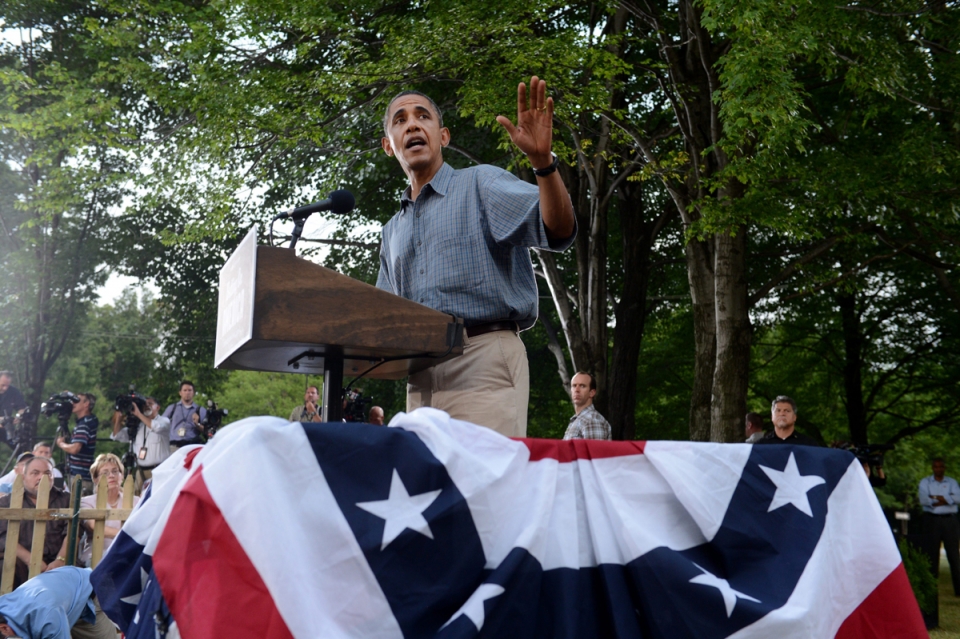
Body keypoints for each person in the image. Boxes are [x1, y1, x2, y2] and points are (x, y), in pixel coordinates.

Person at [376, 77, 576, 438]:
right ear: (389, 146)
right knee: (430, 491)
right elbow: (383, 322)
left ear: (444, 136)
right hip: (419, 375)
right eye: (400, 120)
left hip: (483, 359)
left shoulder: (481, 183)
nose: (413, 125)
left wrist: (543, 163)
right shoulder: (390, 231)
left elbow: (558, 229)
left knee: (485, 488)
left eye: (423, 116)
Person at [0, 457, 70, 589]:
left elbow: (73, 532)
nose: (41, 477)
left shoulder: (66, 500)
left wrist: (60, 560)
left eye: (47, 473)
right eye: (35, 473)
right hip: (20, 563)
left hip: (57, 562)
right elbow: (3, 536)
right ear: (24, 477)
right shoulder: (6, 503)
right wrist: (30, 560)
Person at [0, 566, 116, 639]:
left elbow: (48, 616)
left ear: (4, 628)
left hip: (85, 597)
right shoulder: (3, 606)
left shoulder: (46, 617)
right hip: (57, 598)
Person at [79, 454, 140, 568]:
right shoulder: (86, 502)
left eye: (115, 471)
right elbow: (93, 525)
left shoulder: (137, 502)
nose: (111, 475)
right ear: (95, 479)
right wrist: (125, 535)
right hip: (97, 555)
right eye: (105, 473)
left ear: (122, 476)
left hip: (129, 552)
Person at [919, 457, 960, 595]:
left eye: (941, 467)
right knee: (931, 555)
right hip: (931, 521)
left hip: (950, 521)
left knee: (954, 555)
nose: (938, 469)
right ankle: (931, 589)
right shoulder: (925, 482)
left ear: (944, 468)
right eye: (936, 467)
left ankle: (958, 590)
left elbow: (958, 498)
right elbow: (924, 500)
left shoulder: (952, 482)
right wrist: (947, 499)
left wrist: (936, 497)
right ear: (932, 468)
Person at [110, 397, 170, 487]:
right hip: (140, 472)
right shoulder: (138, 425)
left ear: (158, 407)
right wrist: (118, 418)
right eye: (145, 404)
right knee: (138, 498)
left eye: (150, 404)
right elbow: (116, 435)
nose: (147, 406)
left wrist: (138, 414)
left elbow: (156, 427)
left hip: (158, 471)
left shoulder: (164, 421)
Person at [55, 393, 98, 495]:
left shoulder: (84, 424)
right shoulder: (91, 420)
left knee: (79, 506)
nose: (72, 403)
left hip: (80, 476)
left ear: (86, 404)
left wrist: (61, 444)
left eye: (76, 400)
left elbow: (75, 449)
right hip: (84, 473)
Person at [562, 372, 612, 440]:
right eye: (574, 386)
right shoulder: (579, 419)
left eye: (582, 386)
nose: (577, 390)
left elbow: (594, 450)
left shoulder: (591, 420)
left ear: (592, 393)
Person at [755, 396, 820, 446]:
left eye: (787, 411)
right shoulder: (760, 445)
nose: (782, 414)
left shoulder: (809, 444)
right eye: (778, 410)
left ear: (794, 417)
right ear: (772, 417)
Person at [164, 381, 206, 451]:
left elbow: (207, 431)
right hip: (174, 446)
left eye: (190, 390)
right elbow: (162, 424)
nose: (187, 393)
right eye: (185, 390)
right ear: (180, 393)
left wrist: (197, 424)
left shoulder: (200, 410)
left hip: (192, 446)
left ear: (193, 393)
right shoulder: (172, 408)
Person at [0, 372, 26, 444]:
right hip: (3, 422)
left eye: (7, 385)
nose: (5, 388)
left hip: (7, 427)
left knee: (20, 444)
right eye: (3, 385)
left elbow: (22, 408)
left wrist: (19, 417)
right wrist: (2, 419)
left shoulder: (13, 391)